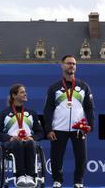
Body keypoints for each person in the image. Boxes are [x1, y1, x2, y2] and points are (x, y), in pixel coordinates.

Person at [43, 55, 95, 188]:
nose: (72, 66)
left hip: (79, 128)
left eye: (74, 64)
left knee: (81, 157)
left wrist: (90, 125)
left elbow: (89, 108)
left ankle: (78, 181)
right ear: (62, 65)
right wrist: (48, 129)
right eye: (69, 63)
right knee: (56, 157)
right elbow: (48, 109)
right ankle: (57, 180)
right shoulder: (54, 87)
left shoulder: (83, 86)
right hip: (59, 128)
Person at [0, 84, 44, 187]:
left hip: (29, 142)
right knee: (18, 143)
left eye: (25, 91)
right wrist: (10, 138)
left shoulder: (31, 113)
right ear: (14, 95)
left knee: (30, 142)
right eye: (22, 92)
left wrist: (32, 137)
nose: (25, 94)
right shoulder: (4, 114)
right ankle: (20, 176)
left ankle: (30, 176)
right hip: (11, 144)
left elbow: (40, 133)